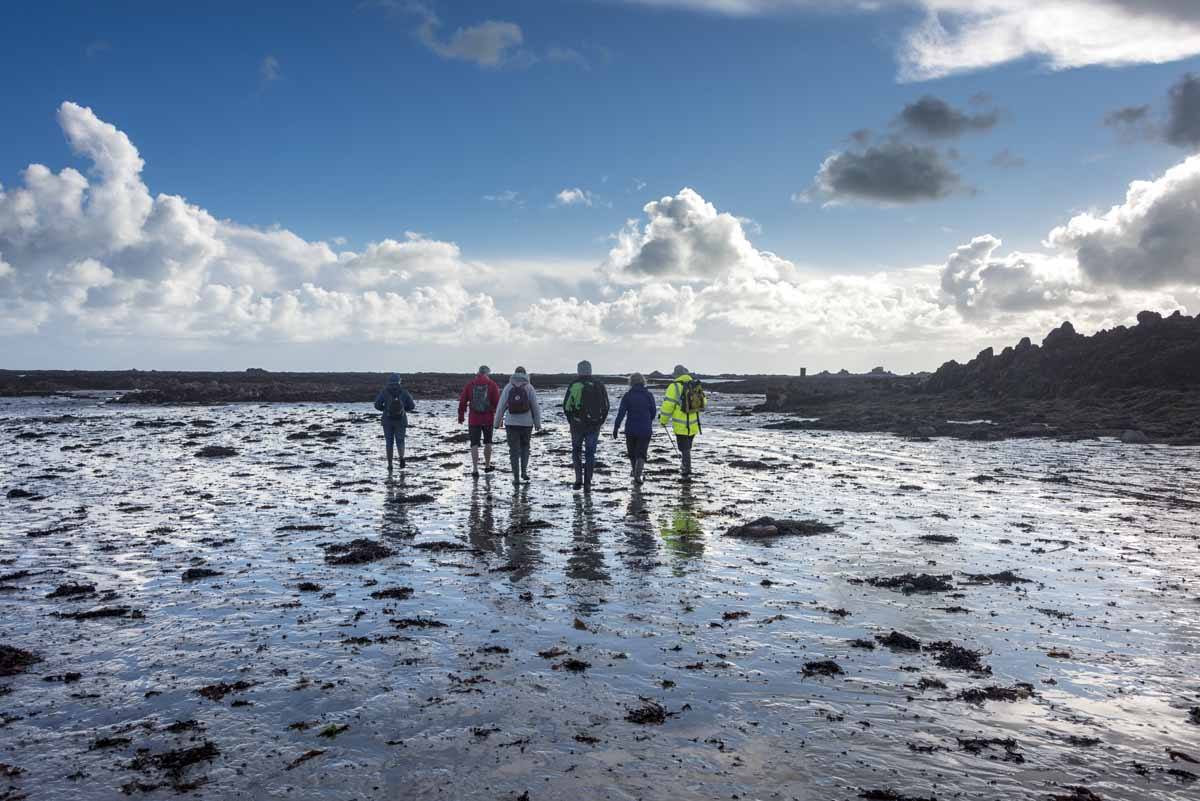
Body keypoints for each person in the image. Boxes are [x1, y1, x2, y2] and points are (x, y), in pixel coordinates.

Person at [563, 360, 610, 491]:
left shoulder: (574, 385)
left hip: (577, 425)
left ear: (578, 371)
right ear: (590, 370)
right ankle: (588, 483)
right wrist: (600, 421)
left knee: (576, 451)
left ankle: (578, 479)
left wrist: (571, 420)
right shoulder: (599, 385)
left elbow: (566, 406)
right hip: (594, 426)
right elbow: (606, 406)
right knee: (590, 453)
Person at [493, 366, 542, 488]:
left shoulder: (509, 387)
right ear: (525, 374)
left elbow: (501, 406)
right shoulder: (529, 387)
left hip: (511, 423)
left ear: (514, 374)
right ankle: (524, 472)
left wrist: (496, 422)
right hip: (527, 424)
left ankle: (516, 477)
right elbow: (535, 406)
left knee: (513, 451)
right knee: (525, 447)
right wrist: (537, 423)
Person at [658, 364, 706, 480]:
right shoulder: (694, 384)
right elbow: (704, 402)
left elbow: (668, 406)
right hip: (694, 423)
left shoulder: (674, 387)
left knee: (684, 448)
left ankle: (686, 470)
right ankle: (686, 467)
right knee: (687, 447)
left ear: (676, 375)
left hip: (680, 425)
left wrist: (663, 420)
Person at [612, 372, 655, 485]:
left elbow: (621, 413)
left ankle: (635, 472)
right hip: (645, 428)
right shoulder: (648, 395)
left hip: (630, 428)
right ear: (643, 382)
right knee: (641, 453)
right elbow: (654, 412)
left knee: (632, 453)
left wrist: (616, 428)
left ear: (631, 382)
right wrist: (648, 420)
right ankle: (638, 474)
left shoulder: (628, 396)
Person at [458, 365, 502, 477]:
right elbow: (498, 404)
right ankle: (487, 466)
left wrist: (461, 416)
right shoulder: (492, 385)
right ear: (487, 373)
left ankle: (475, 469)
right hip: (488, 419)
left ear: (478, 372)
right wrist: (499, 418)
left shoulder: (470, 384)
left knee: (474, 444)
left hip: (474, 419)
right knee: (488, 442)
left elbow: (462, 401)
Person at [373, 373, 415, 472]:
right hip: (401, 421)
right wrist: (403, 410)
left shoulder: (384, 392)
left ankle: (390, 464)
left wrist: (385, 409)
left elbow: (377, 405)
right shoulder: (404, 392)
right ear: (399, 381)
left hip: (387, 421)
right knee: (400, 441)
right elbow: (412, 406)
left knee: (389, 443)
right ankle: (401, 458)